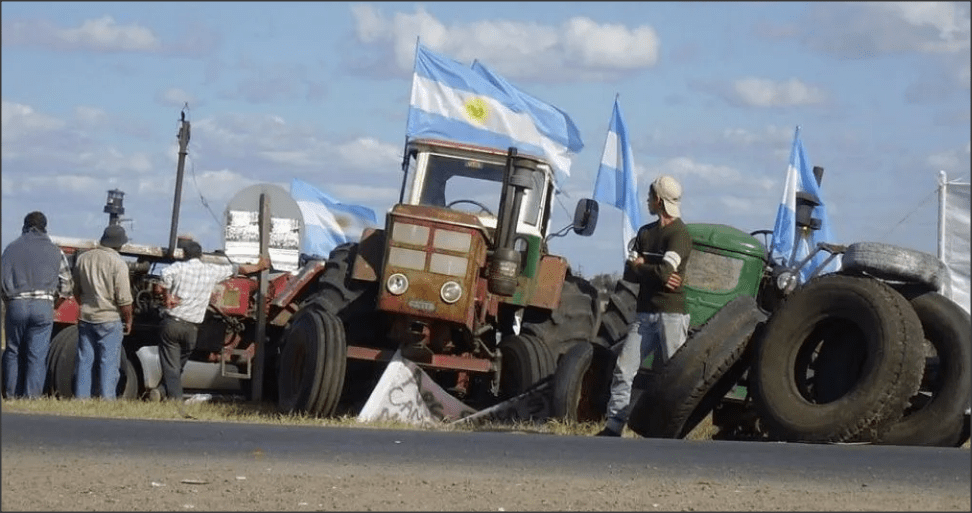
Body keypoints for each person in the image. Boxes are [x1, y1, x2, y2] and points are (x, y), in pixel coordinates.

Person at [597, 175, 693, 437]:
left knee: (673, 377)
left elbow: (661, 271)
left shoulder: (680, 235)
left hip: (672, 316)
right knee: (623, 369)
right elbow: (634, 273)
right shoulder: (645, 233)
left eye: (650, 197)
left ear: (658, 201)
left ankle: (670, 431)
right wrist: (649, 270)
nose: (648, 201)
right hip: (644, 314)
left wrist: (643, 266)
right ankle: (614, 426)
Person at [154, 238, 269, 402]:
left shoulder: (178, 267)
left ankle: (174, 400)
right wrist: (259, 266)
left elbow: (163, 276)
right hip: (192, 330)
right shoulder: (211, 270)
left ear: (184, 254)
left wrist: (167, 297)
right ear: (200, 256)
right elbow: (238, 269)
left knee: (171, 366)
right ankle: (164, 392)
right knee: (177, 365)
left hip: (172, 323)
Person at [1, 211, 73, 398]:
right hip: (43, 305)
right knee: (37, 355)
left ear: (24, 226)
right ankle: (31, 397)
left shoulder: (10, 249)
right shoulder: (55, 251)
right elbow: (67, 285)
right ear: (45, 227)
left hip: (16, 303)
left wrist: (9, 302)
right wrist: (55, 304)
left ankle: (11, 394)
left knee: (13, 351)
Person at [73, 224, 134, 400]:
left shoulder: (83, 258)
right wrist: (128, 320)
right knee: (108, 362)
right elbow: (125, 299)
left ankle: (81, 399)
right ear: (119, 244)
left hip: (86, 317)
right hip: (109, 318)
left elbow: (76, 291)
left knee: (84, 361)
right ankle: (107, 400)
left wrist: (85, 306)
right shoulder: (118, 263)